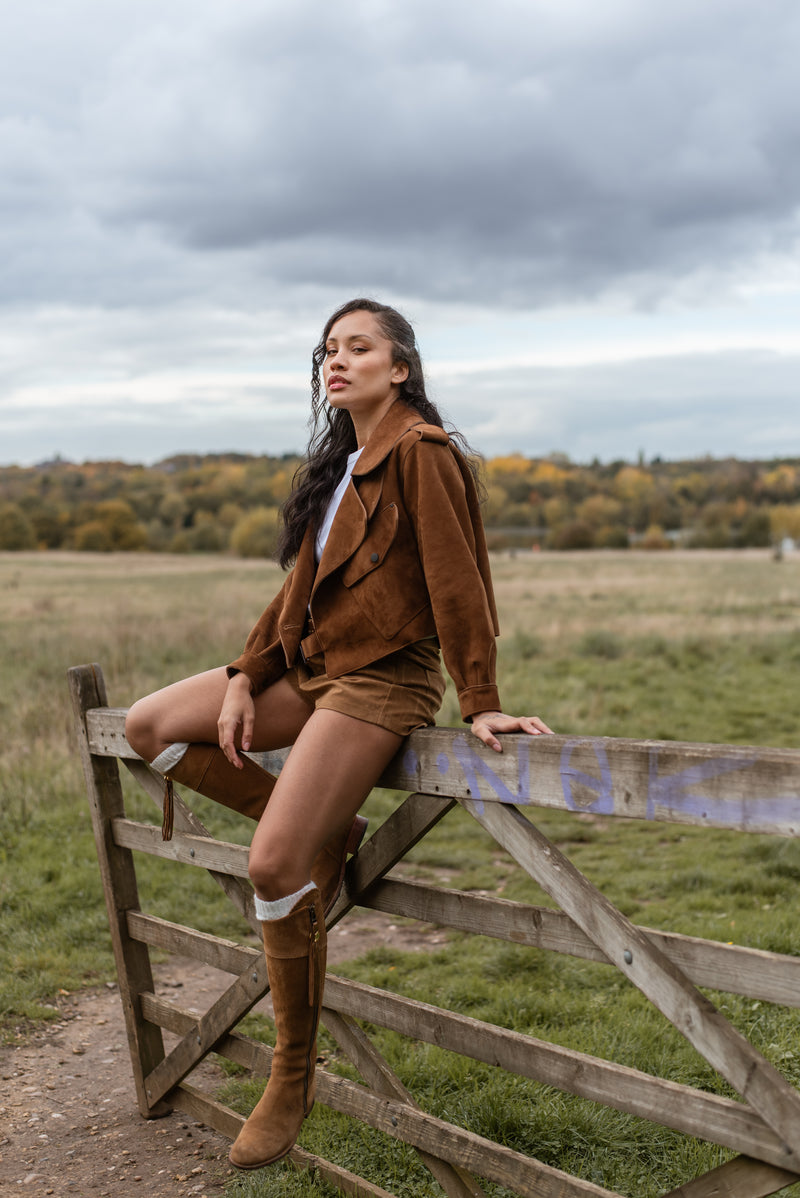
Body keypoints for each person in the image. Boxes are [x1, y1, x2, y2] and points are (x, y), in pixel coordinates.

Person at [125, 297, 552, 1171]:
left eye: (360, 347)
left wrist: (479, 699)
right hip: (315, 670)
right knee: (150, 726)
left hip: (385, 679)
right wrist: (248, 675)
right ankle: (328, 825)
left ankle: (291, 1072)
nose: (339, 360)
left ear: (401, 368)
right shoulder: (342, 464)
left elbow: (457, 577)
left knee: (275, 865)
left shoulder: (423, 455)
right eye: (329, 349)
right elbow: (296, 595)